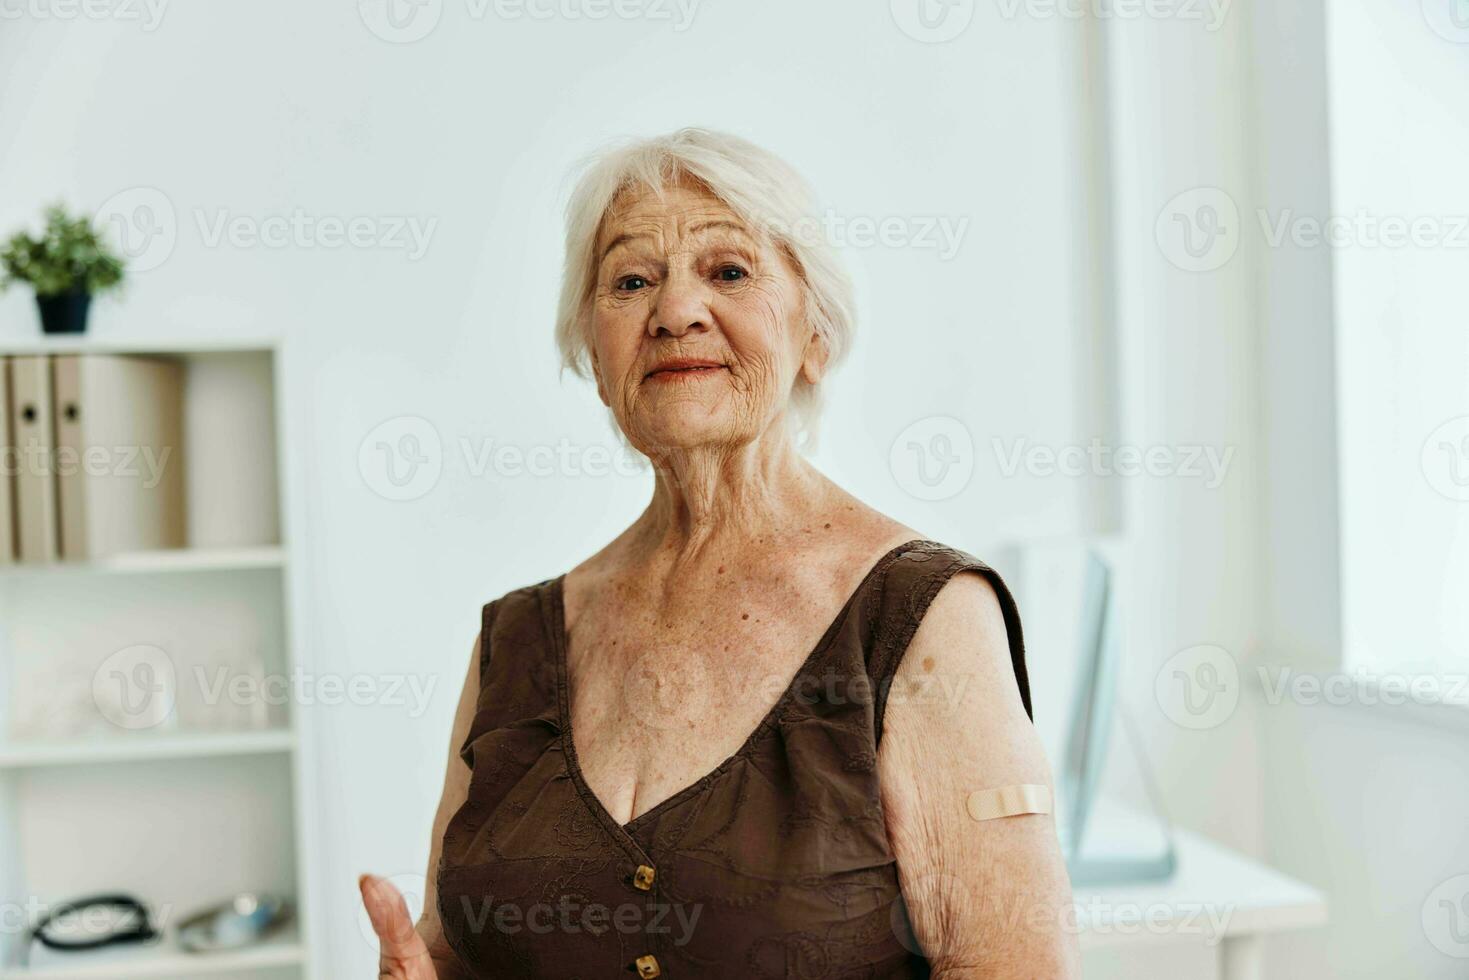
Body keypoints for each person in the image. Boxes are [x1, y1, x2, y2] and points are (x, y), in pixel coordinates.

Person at [360, 127, 1079, 978]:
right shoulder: (515, 641)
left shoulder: (923, 617)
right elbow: (454, 952)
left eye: (729, 272)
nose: (674, 312)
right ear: (595, 355)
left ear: (814, 336)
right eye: (630, 282)